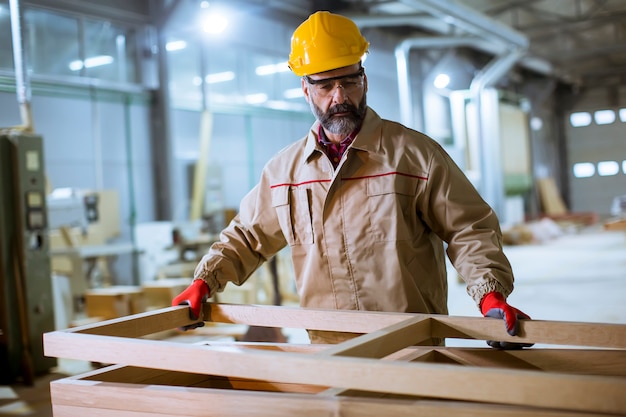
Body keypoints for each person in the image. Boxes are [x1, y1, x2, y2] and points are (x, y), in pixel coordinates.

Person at [173, 10, 531, 348]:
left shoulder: (415, 155)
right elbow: (247, 238)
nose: (340, 97)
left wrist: (489, 294)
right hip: (330, 350)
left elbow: (468, 228)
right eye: (326, 85)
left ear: (364, 78)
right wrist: (205, 281)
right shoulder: (285, 173)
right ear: (306, 89)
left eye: (349, 80)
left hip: (412, 344)